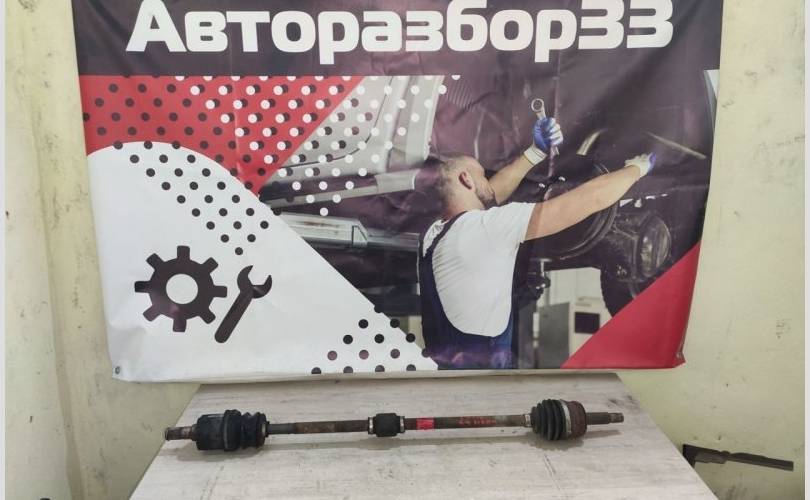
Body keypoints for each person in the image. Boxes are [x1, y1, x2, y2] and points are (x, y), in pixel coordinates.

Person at [418, 117, 655, 369]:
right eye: (482, 174)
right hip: (482, 383)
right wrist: (637, 169)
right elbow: (589, 200)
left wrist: (535, 152)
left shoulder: (433, 233)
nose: (488, 180)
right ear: (466, 180)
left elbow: (489, 193)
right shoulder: (486, 228)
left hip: (447, 376)